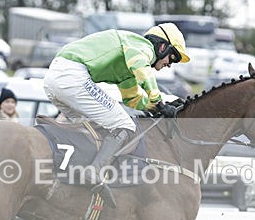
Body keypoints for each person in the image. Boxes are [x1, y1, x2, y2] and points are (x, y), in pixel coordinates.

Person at [43, 23, 189, 186]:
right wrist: (158, 101)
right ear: (162, 47)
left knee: (89, 130)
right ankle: (95, 171)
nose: (170, 64)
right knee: (126, 125)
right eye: (173, 57)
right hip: (72, 76)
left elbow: (132, 98)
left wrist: (158, 108)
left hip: (54, 79)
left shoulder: (129, 61)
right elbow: (142, 68)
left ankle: (69, 174)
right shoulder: (141, 46)